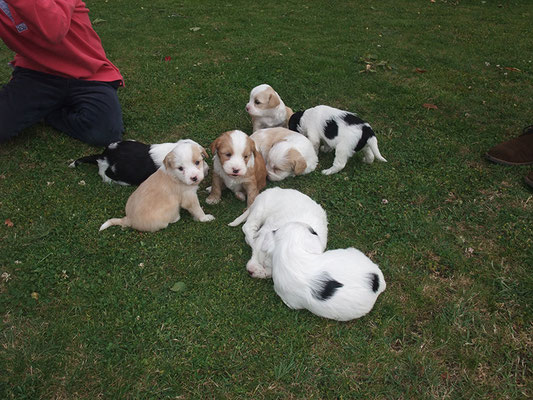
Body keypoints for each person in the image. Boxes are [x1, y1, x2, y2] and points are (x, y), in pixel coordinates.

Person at [0, 0, 124, 146]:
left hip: (87, 73)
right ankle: (41, 107)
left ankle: (46, 111)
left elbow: (53, 29)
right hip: (37, 72)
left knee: (105, 133)